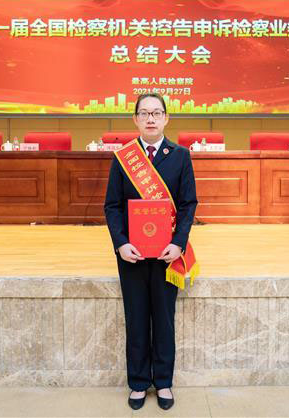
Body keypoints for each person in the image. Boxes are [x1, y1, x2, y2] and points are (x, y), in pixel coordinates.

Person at [104, 93, 198, 410]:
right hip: (132, 253)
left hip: (167, 254)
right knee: (136, 318)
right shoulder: (123, 158)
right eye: (144, 113)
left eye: (156, 113)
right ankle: (139, 383)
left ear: (166, 118)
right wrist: (120, 243)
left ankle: (164, 382)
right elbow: (112, 206)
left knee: (163, 319)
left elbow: (187, 205)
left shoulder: (180, 156)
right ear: (135, 119)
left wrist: (178, 243)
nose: (150, 119)